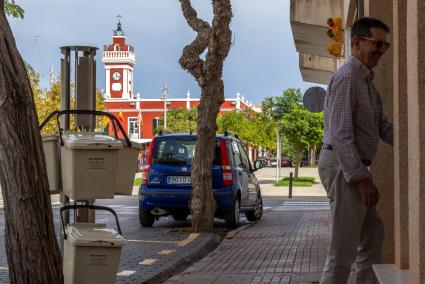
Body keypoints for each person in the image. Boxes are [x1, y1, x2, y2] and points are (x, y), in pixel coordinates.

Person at [318, 17, 393, 284]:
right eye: (378, 44)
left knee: (372, 236)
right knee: (343, 249)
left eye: (386, 45)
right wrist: (362, 181)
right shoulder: (348, 77)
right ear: (357, 42)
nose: (382, 50)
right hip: (343, 165)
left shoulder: (366, 81)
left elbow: (382, 126)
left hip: (353, 165)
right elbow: (340, 135)